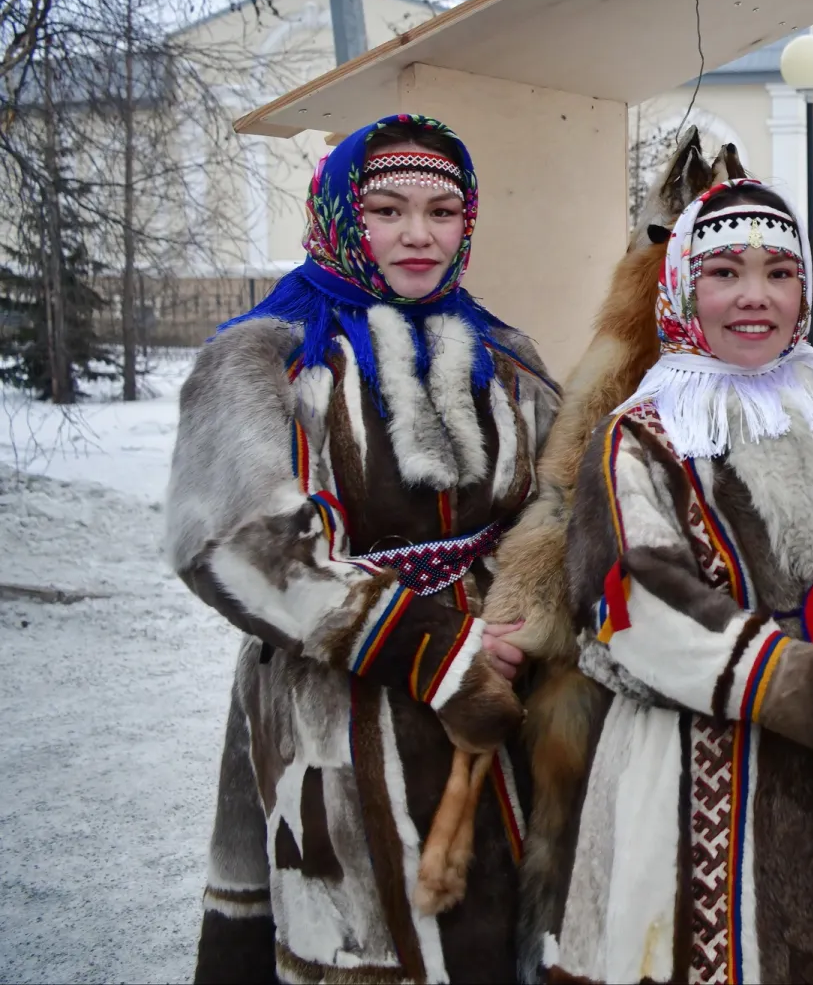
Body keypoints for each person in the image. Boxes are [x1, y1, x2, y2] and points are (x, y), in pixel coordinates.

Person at [169, 114, 559, 983]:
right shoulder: (263, 357)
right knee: (374, 937)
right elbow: (233, 541)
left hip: (508, 683)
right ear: (341, 214)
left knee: (506, 927)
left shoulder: (505, 353)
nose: (418, 234)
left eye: (442, 211)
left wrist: (524, 618)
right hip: (339, 708)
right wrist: (431, 648)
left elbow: (560, 501)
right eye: (386, 209)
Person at [534, 178, 813, 983]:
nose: (756, 297)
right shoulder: (641, 436)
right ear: (684, 284)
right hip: (689, 779)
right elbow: (635, 607)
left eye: (780, 273)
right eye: (724, 272)